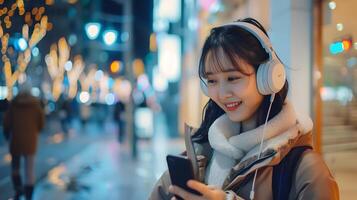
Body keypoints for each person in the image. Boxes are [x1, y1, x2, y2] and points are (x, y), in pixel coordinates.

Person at [149, 18, 339, 200]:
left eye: (233, 78)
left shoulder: (306, 170)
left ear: (268, 78)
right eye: (212, 81)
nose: (222, 94)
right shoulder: (200, 153)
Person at [3, 88, 45, 200]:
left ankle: (18, 189)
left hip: (15, 140)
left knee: (15, 167)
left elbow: (6, 122)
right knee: (29, 170)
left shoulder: (14, 105)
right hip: (30, 141)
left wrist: (7, 135)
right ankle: (28, 196)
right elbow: (41, 123)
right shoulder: (36, 105)